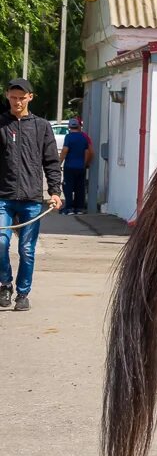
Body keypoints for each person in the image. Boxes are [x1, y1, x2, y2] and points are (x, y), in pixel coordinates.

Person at [0, 78, 62, 310]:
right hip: (3, 197)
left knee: (26, 249)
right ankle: (5, 284)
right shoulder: (1, 125)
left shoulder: (42, 126)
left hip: (31, 199)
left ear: (30, 97)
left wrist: (55, 192)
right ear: (7, 96)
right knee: (0, 242)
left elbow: (51, 162)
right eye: (13, 97)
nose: (17, 101)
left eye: (21, 97)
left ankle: (23, 294)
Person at [60, 117, 93, 214]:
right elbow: (87, 152)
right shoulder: (83, 137)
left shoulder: (68, 137)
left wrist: (59, 163)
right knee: (80, 187)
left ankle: (69, 208)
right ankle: (79, 208)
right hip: (80, 167)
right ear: (78, 126)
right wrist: (85, 164)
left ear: (69, 126)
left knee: (68, 187)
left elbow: (65, 150)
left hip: (69, 166)